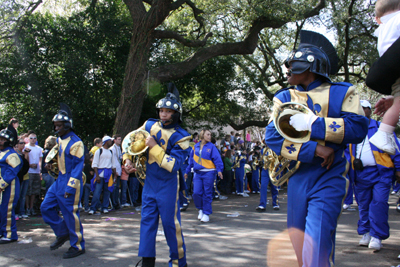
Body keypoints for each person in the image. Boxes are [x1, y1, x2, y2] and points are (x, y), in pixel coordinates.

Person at [265, 30, 369, 266]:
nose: (288, 70)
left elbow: (357, 128)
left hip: (329, 176)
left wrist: (311, 123)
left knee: (316, 245)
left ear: (310, 67)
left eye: (294, 65)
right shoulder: (283, 96)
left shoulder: (343, 91)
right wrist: (314, 149)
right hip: (298, 177)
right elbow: (272, 136)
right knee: (298, 245)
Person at [124, 83, 191, 267]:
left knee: (171, 225)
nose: (163, 114)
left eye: (168, 111)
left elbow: (174, 165)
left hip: (168, 186)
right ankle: (147, 261)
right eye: (161, 110)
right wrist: (127, 159)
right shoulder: (149, 124)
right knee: (147, 223)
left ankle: (178, 262)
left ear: (176, 114)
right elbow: (131, 141)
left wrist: (154, 147)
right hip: (150, 184)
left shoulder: (183, 136)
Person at [347, 100, 400, 251]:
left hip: (381, 173)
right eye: (360, 108)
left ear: (370, 111)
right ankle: (366, 233)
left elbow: (395, 147)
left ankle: (377, 236)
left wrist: (398, 168)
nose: (362, 111)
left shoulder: (380, 128)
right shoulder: (353, 130)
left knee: (379, 203)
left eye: (365, 108)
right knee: (363, 205)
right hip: (360, 174)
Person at [40, 103, 85, 258]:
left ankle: (78, 246)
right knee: (45, 207)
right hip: (59, 179)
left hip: (71, 180)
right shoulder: (60, 140)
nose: (56, 129)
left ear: (67, 125)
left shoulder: (76, 143)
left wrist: (70, 187)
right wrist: (49, 161)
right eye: (55, 125)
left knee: (70, 214)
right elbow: (57, 152)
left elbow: (78, 167)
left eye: (59, 126)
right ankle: (63, 232)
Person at [365, 0, 400, 155]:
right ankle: (384, 133)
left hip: (392, 73)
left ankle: (385, 132)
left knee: (397, 103)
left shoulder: (383, 29)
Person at [185, 130, 223, 223]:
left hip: (209, 172)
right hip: (197, 173)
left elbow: (217, 159)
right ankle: (200, 209)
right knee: (196, 193)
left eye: (210, 135)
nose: (210, 136)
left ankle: (206, 213)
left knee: (207, 193)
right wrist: (187, 171)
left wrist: (219, 170)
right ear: (202, 135)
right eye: (208, 134)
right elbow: (191, 161)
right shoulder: (195, 147)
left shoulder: (212, 147)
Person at [0, 126, 22, 244]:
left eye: (3, 139)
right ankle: (2, 232)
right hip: (2, 187)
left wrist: (1, 184)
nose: (1, 141)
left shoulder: (12, 154)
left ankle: (9, 234)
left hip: (10, 187)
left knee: (6, 210)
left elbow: (12, 171)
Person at [89, 136, 117, 214]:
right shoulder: (99, 151)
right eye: (110, 141)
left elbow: (113, 164)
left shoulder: (111, 152)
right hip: (100, 174)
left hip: (108, 174)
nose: (111, 142)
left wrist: (115, 175)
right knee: (97, 192)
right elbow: (95, 164)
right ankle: (93, 208)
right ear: (106, 141)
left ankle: (104, 207)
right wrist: (97, 175)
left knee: (107, 192)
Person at [256, 146, 279, 211]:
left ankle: (276, 204)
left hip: (273, 169)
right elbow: (260, 160)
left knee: (274, 187)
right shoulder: (263, 150)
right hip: (265, 169)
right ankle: (262, 204)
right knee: (263, 186)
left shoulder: (276, 149)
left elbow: (278, 160)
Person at [25, 132, 43, 216]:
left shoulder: (39, 148)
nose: (33, 139)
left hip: (36, 172)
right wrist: (29, 165)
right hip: (28, 172)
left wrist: (40, 171)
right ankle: (27, 207)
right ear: (28, 139)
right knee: (28, 191)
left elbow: (40, 160)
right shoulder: (25, 147)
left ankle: (31, 207)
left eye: (34, 138)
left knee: (34, 191)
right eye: (31, 138)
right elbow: (24, 159)